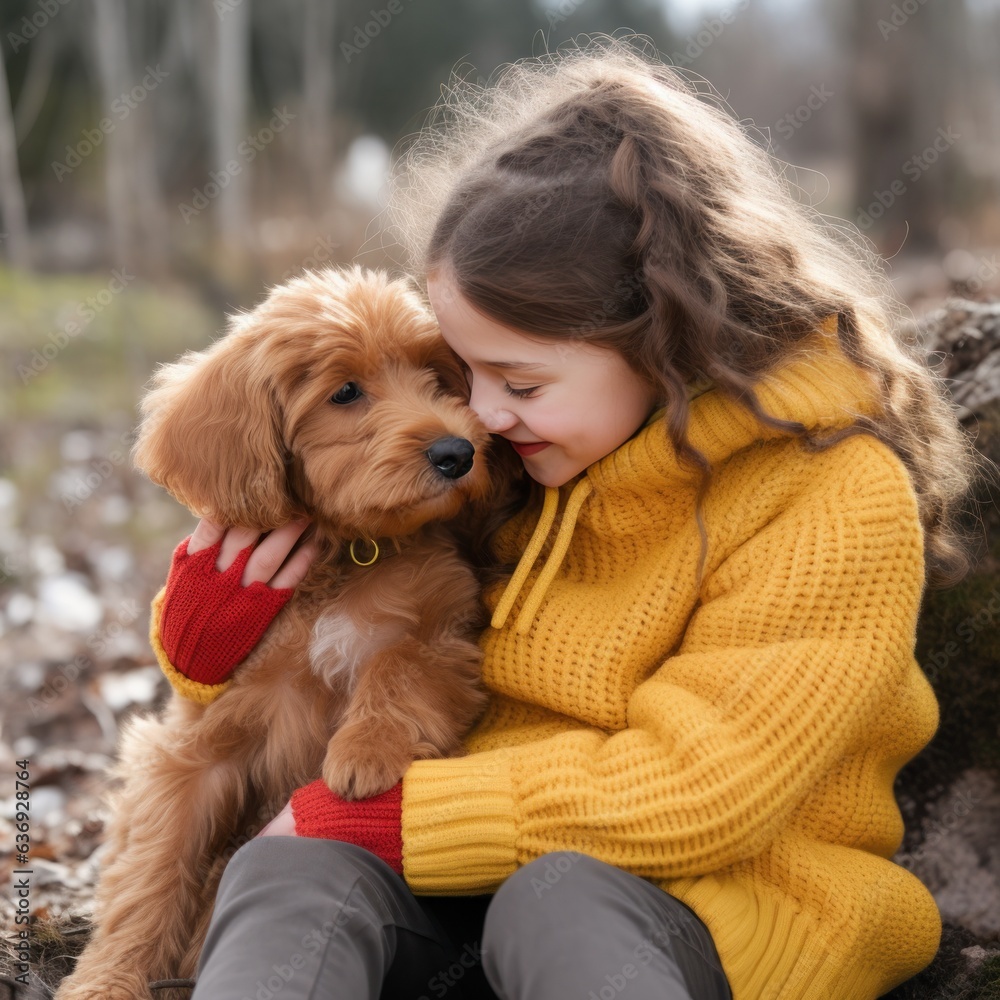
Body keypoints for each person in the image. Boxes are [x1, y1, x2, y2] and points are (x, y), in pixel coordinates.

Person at [150, 36, 981, 1000]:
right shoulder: (533, 460)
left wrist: (388, 820)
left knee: (558, 897)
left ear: (659, 339)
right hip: (475, 888)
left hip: (721, 907)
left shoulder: (829, 494)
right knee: (286, 872)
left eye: (520, 381)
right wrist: (203, 645)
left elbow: (706, 791)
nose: (479, 419)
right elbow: (362, 624)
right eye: (465, 375)